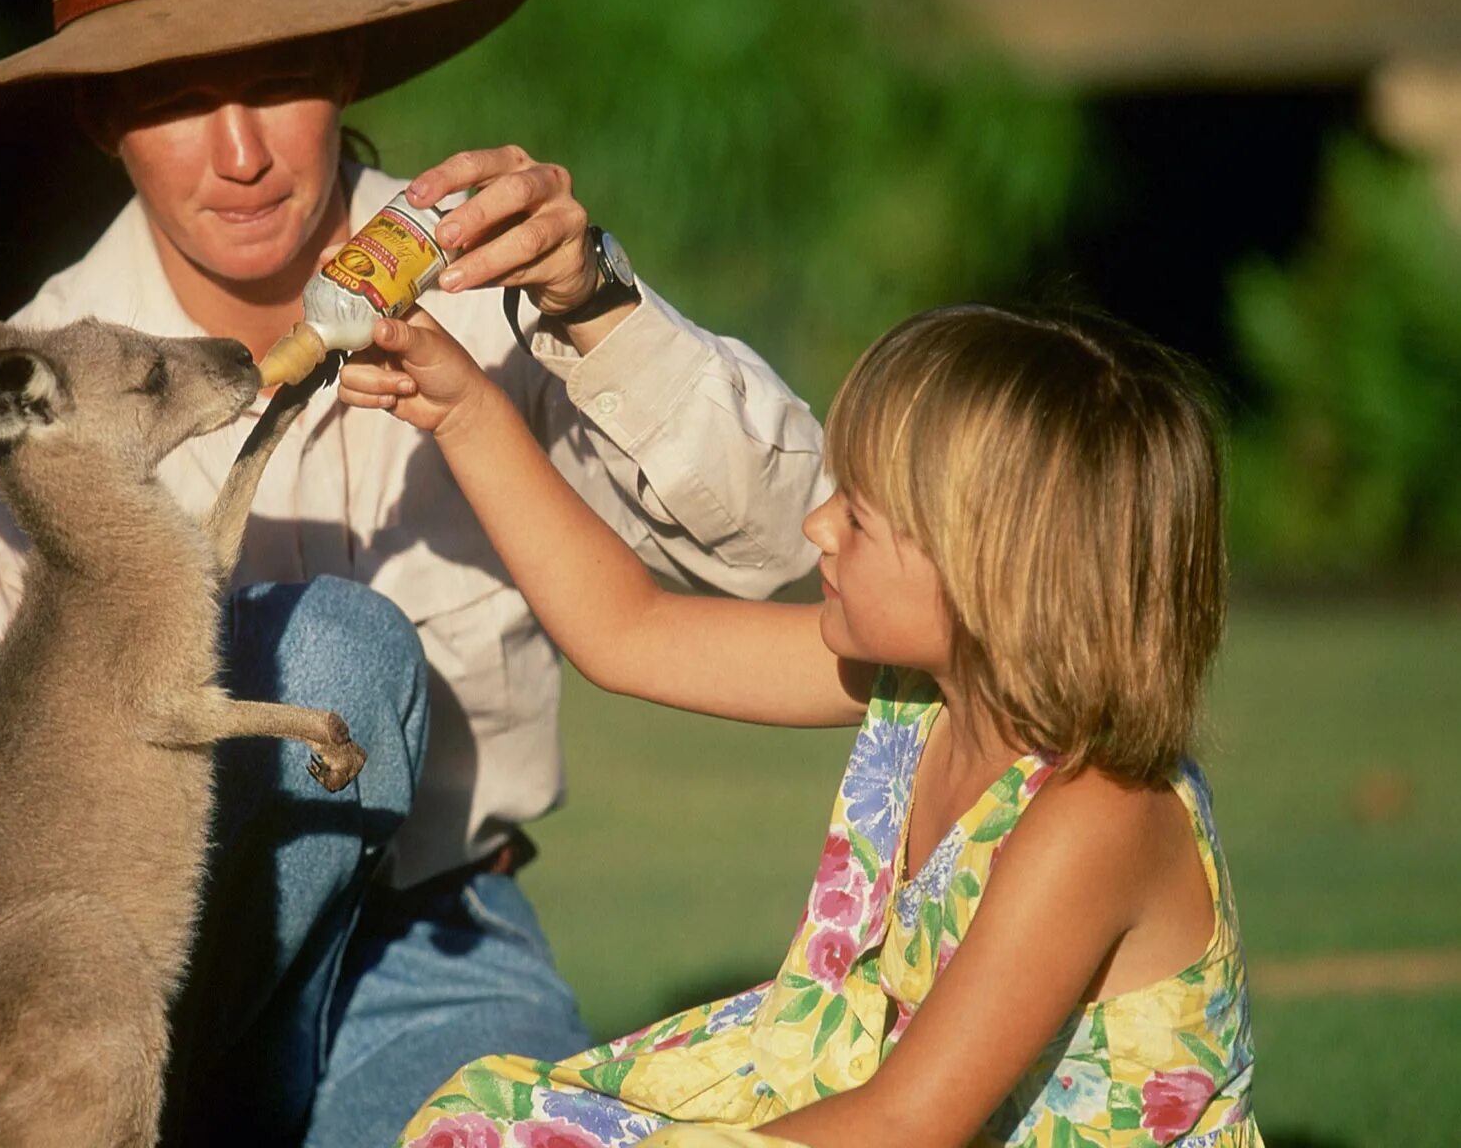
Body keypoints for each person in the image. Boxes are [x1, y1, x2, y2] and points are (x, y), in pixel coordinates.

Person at [0, 0, 827, 1146]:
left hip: (437, 940)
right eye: (172, 99)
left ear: (346, 68)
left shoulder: (486, 273)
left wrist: (598, 305)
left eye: (277, 78)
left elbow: (783, 549)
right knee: (331, 657)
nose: (241, 152)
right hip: (156, 980)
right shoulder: (31, 397)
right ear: (104, 118)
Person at [341, 303, 1261, 1148]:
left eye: (858, 513)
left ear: (992, 573)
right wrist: (465, 411)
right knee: (487, 1123)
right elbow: (630, 633)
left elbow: (907, 1123)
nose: (818, 526)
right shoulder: (920, 691)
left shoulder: (1097, 816)